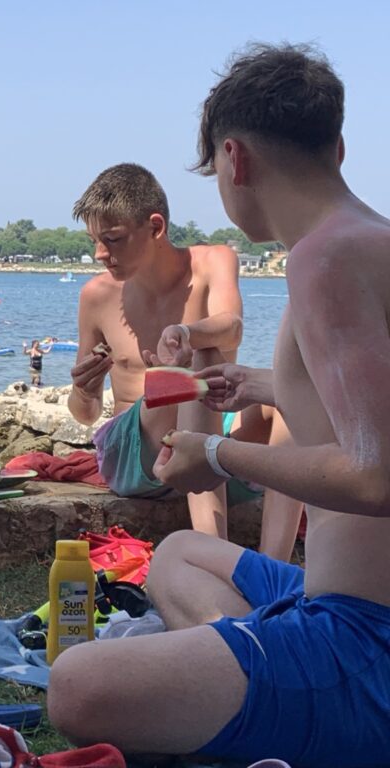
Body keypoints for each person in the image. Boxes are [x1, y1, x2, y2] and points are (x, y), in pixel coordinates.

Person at [48, 44, 390, 765]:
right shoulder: (367, 242)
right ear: (338, 145)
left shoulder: (324, 258)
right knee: (177, 556)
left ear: (234, 159)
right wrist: (261, 386)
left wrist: (215, 452)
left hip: (367, 640)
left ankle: (287, 691)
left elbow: (378, 474)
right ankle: (264, 670)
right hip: (337, 596)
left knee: (76, 687)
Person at [67, 162, 242, 538]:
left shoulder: (213, 262)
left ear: (155, 227)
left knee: (282, 405)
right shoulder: (96, 296)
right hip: (135, 457)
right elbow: (85, 415)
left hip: (213, 442)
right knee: (186, 378)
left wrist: (186, 331)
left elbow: (232, 329)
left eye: (112, 239)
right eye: (94, 241)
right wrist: (85, 389)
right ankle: (218, 554)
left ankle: (281, 570)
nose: (100, 253)